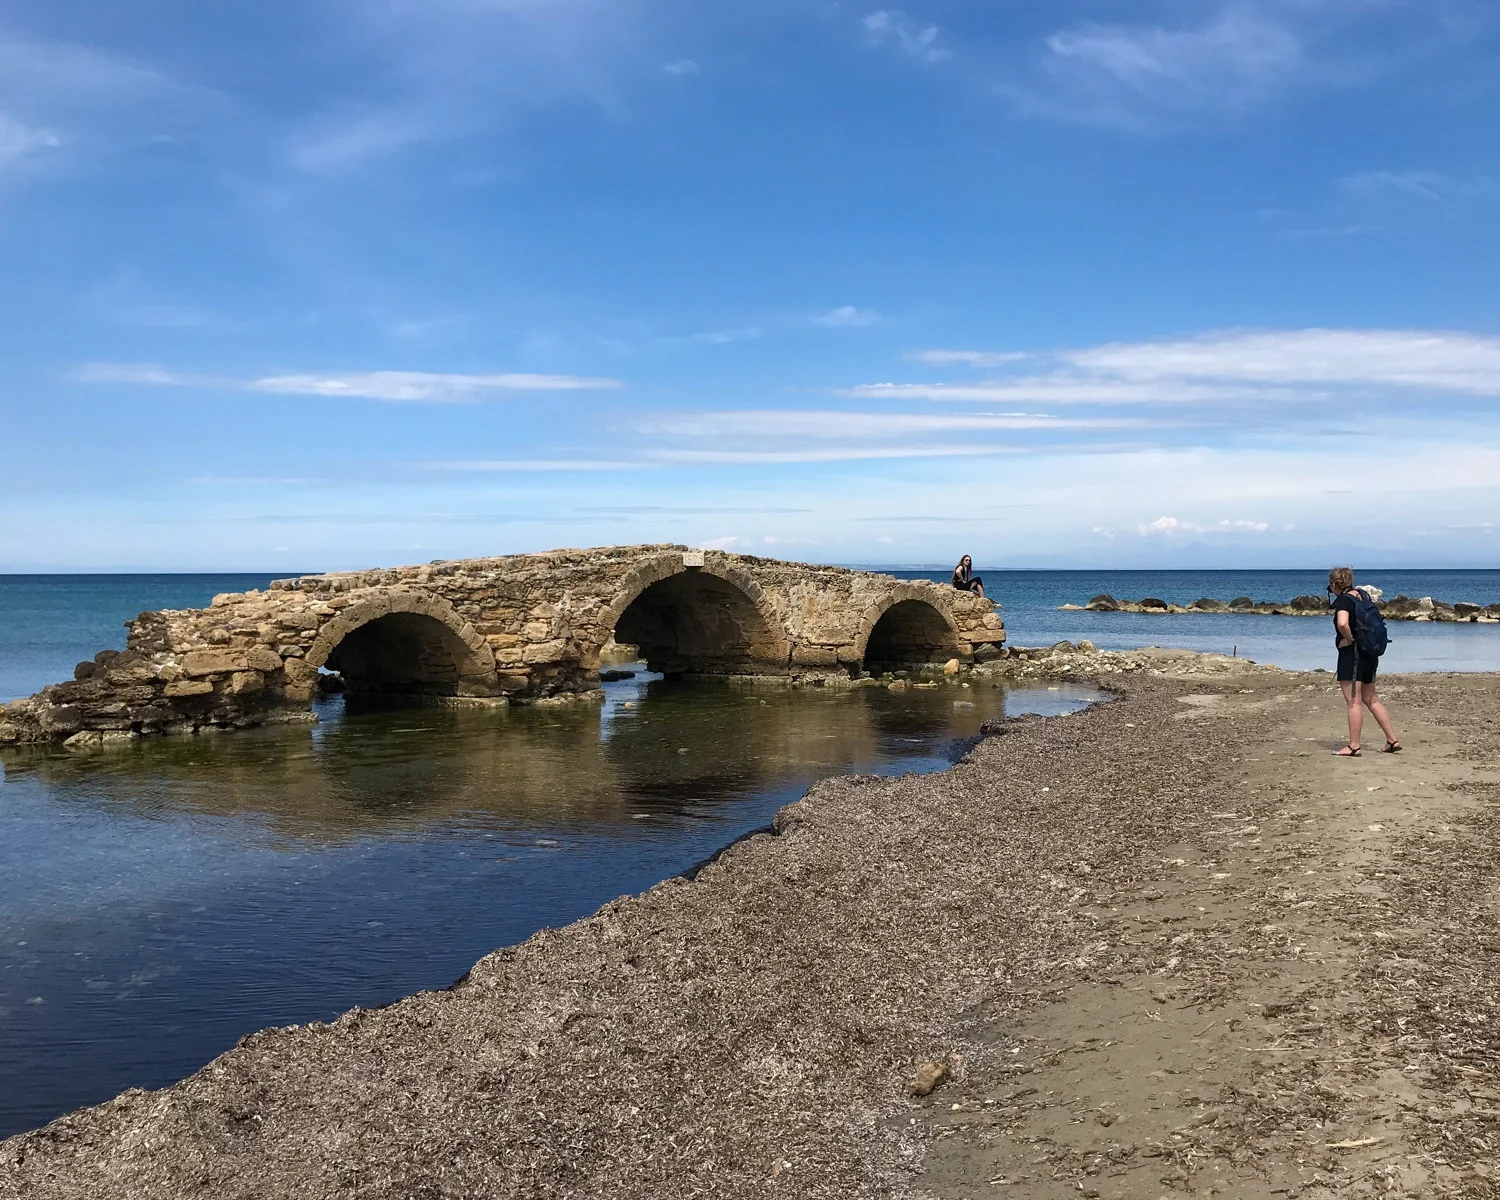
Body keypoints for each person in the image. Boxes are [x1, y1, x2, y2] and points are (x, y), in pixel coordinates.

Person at [1328, 566, 1400, 757]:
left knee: (1354, 702)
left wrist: (1349, 639)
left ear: (1335, 584)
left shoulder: (1343, 600)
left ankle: (1354, 746)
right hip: (1370, 653)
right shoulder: (1363, 596)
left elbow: (1342, 623)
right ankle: (1392, 740)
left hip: (1353, 655)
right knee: (1371, 698)